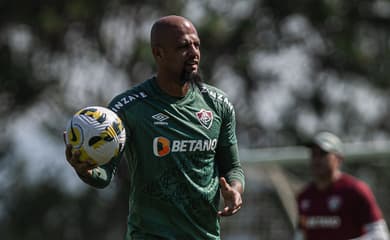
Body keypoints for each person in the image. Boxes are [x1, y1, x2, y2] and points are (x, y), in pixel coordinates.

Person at [65, 15, 245, 240]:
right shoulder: (128, 108)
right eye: (183, 46)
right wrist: (85, 170)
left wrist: (235, 191)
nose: (193, 52)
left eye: (196, 44)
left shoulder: (218, 104)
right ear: (158, 53)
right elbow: (104, 175)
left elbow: (233, 168)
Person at [295, 131, 389, 240]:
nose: (317, 159)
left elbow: (381, 236)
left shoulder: (355, 190)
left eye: (322, 154)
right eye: (313, 154)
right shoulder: (305, 196)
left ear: (338, 159)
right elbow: (300, 234)